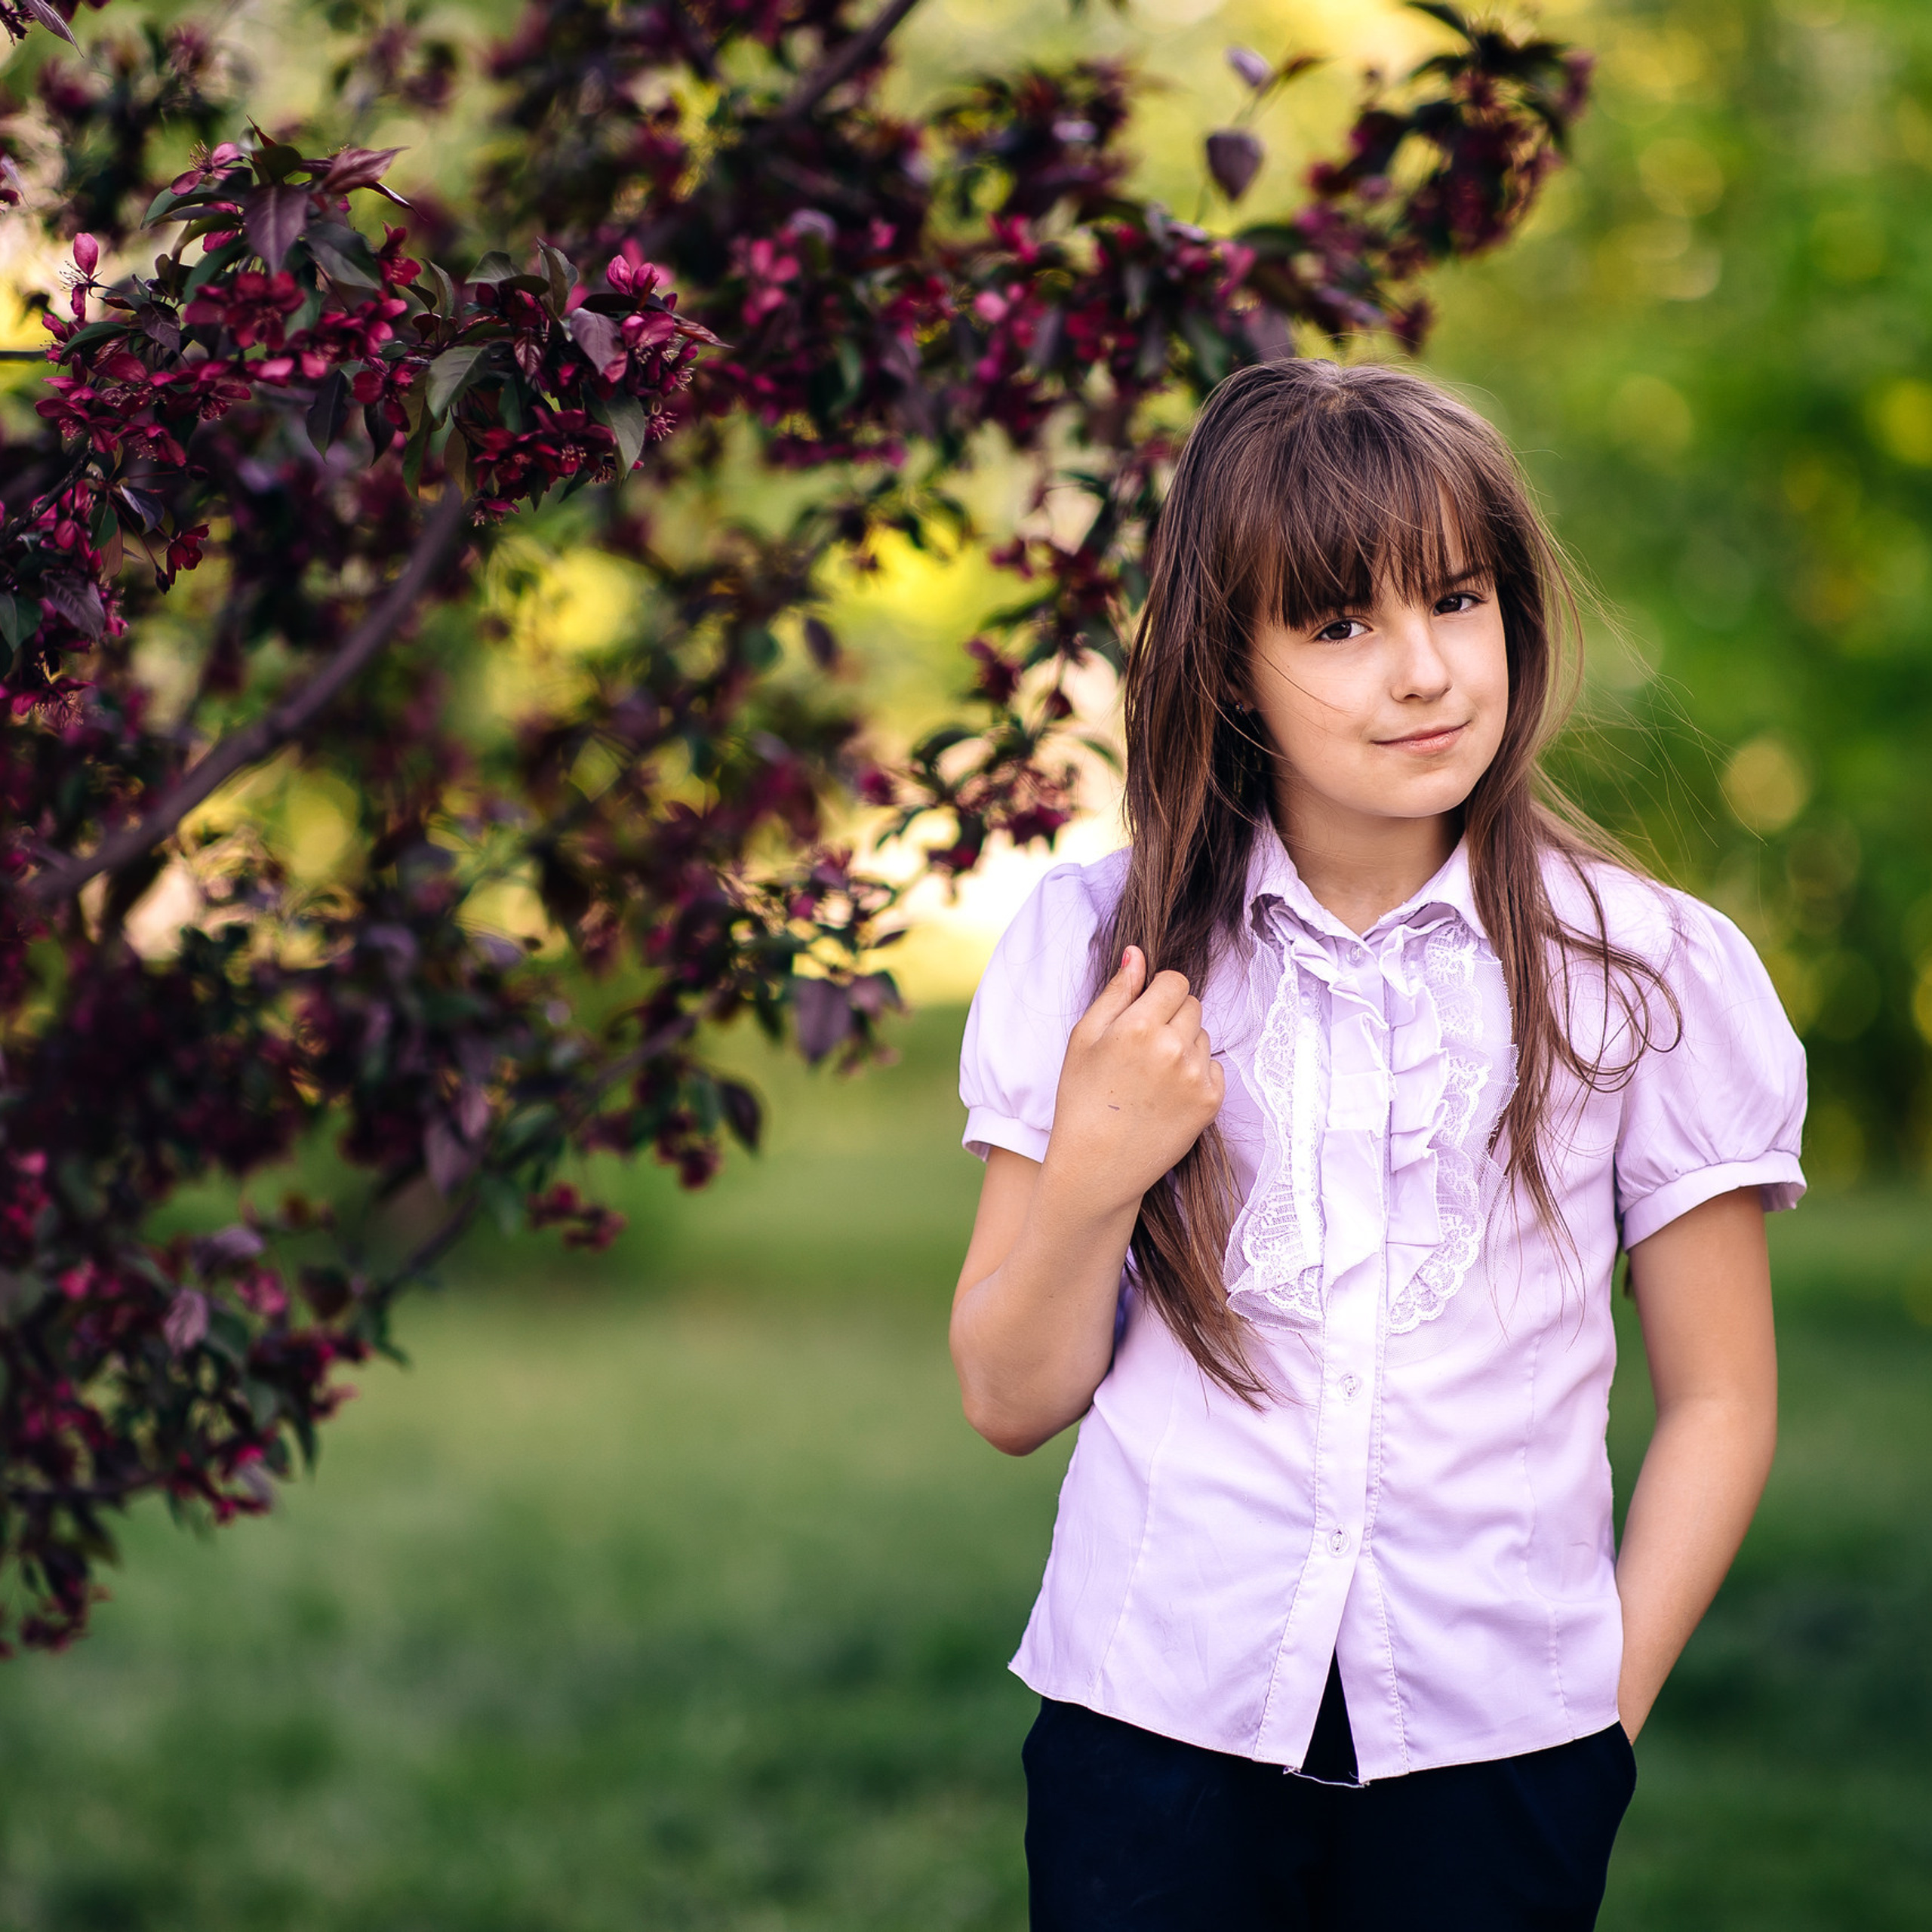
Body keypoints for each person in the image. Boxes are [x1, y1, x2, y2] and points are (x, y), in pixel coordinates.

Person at [949, 358, 1806, 1931]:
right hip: (1149, 1736)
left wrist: (1592, 1720)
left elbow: (1722, 1395)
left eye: (1457, 599)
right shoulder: (1094, 946)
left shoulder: (1646, 971)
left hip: (1501, 1755)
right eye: (1338, 623)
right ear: (1227, 661)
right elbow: (1007, 1396)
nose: (1420, 670)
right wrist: (1094, 1165)